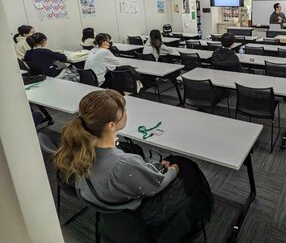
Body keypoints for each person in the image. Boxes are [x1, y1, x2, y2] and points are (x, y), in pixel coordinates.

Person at [53, 90, 213, 243]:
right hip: (139, 211)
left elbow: (134, 170)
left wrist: (153, 167)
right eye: (124, 111)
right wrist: (172, 170)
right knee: (187, 166)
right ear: (111, 126)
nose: (127, 113)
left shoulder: (79, 149)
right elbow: (156, 185)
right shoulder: (122, 165)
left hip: (110, 198)